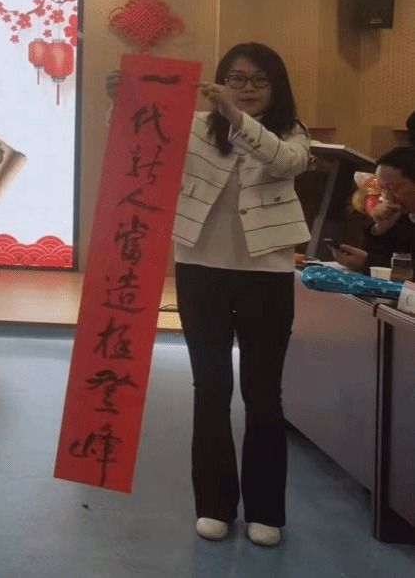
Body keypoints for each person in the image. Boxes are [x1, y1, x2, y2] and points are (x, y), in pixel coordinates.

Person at [108, 42, 309, 548]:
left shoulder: (291, 132)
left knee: (263, 394)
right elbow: (144, 144)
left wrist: (235, 116)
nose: (246, 88)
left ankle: (265, 510)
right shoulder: (196, 125)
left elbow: (285, 163)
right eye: (236, 78)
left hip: (268, 273)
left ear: (276, 86)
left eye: (258, 79)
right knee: (211, 388)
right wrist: (124, 102)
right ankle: (214, 505)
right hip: (200, 269)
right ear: (221, 80)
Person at [331, 145, 415, 272]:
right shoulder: (401, 215)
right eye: (383, 189)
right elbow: (386, 258)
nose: (387, 197)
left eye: (394, 188)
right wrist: (381, 228)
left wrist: (367, 262)